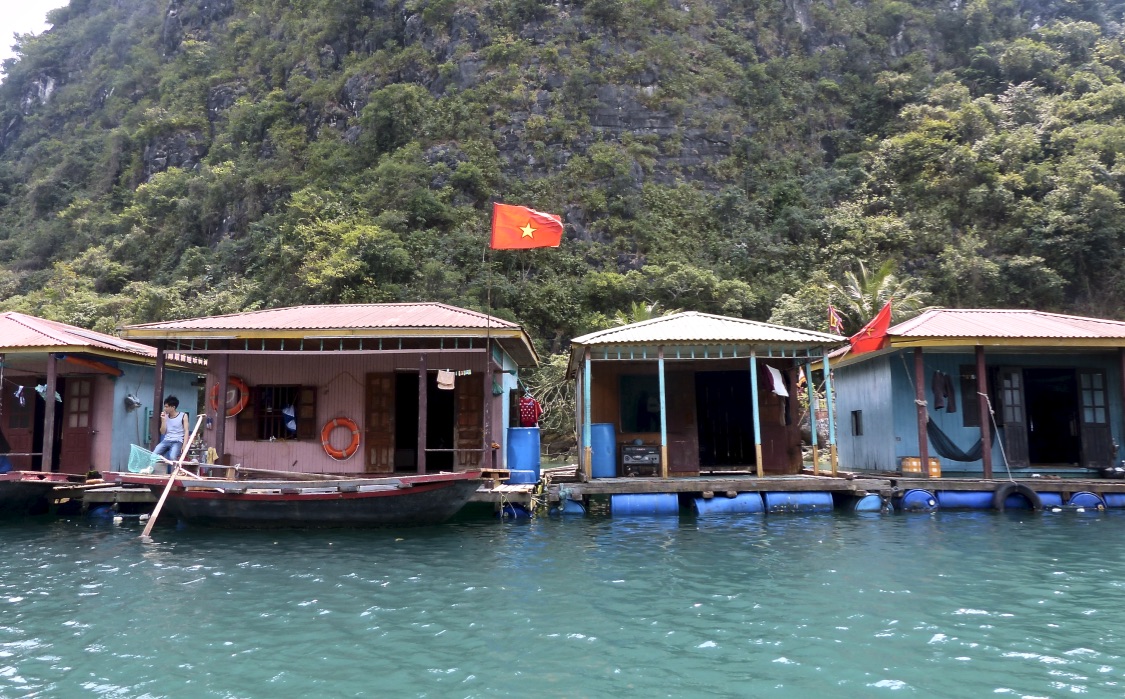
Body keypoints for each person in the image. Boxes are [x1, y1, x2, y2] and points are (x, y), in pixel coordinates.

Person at [154, 396, 189, 462]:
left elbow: (186, 431)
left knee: (172, 457)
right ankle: (154, 468)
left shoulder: (183, 415)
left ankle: (175, 469)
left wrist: (184, 445)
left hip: (178, 441)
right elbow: (162, 432)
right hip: (166, 440)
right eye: (164, 407)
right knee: (154, 455)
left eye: (166, 407)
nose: (165, 409)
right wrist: (163, 420)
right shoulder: (165, 416)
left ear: (173, 407)